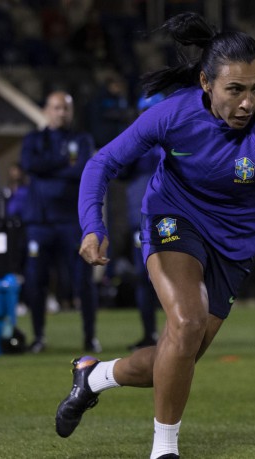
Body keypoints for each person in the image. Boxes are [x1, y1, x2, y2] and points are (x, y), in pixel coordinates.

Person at [56, 13, 255, 459]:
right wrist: (93, 225)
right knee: (186, 324)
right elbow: (101, 163)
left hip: (235, 246)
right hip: (173, 217)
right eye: (235, 90)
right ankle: (164, 449)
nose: (248, 103)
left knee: (179, 353)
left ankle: (94, 375)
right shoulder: (174, 114)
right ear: (206, 82)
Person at [20, 90, 100, 354]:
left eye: (66, 108)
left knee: (83, 281)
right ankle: (39, 336)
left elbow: (82, 169)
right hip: (39, 223)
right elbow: (29, 164)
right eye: (56, 107)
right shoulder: (33, 139)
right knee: (36, 281)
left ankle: (89, 338)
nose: (61, 112)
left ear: (72, 111)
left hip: (72, 222)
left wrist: (47, 167)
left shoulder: (82, 138)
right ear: (46, 110)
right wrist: (63, 162)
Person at [116, 92, 166, 350]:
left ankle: (179, 334)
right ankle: (150, 334)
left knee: (175, 276)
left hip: (172, 217)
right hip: (142, 218)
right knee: (144, 277)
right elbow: (120, 170)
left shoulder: (177, 136)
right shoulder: (137, 141)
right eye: (143, 112)